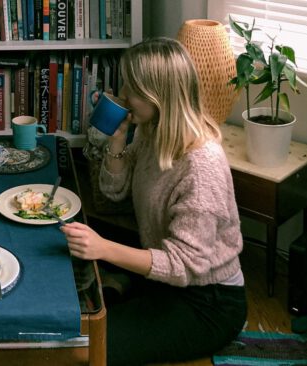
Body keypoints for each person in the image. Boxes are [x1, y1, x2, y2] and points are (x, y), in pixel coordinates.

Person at [60, 38, 247, 364]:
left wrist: (103, 249)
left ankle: (125, 289)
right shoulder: (153, 129)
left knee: (85, 347)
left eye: (131, 87)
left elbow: (184, 266)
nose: (123, 93)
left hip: (206, 300)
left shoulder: (202, 167)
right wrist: (117, 140)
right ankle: (124, 287)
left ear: (156, 95)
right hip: (162, 261)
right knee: (66, 236)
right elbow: (114, 191)